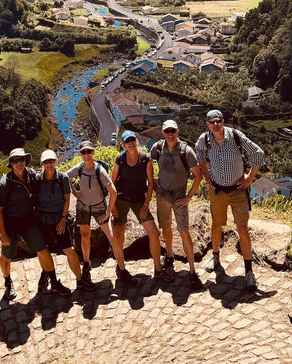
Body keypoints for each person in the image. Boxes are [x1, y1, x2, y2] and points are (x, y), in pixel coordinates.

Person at [195, 110, 265, 290]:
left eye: (218, 121)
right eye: (212, 122)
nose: (216, 124)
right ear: (207, 124)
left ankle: (249, 271)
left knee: (242, 228)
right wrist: (204, 171)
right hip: (216, 190)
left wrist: (250, 177)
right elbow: (199, 152)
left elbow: (258, 152)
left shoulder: (235, 136)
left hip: (237, 191)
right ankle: (215, 256)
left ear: (223, 121)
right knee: (216, 224)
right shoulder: (205, 139)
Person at [0, 148, 70, 300]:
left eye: (21, 159)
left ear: (26, 161)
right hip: (11, 223)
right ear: (11, 164)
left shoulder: (31, 175)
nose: (19, 163)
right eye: (15, 160)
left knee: (43, 250)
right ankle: (8, 283)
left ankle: (54, 282)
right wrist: (3, 234)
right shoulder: (5, 183)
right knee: (6, 256)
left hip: (28, 220)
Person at [111, 130, 174, 283]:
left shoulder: (145, 158)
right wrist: (112, 205)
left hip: (139, 200)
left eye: (133, 140)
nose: (131, 143)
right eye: (127, 141)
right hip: (121, 198)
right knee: (119, 231)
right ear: (124, 145)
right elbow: (112, 182)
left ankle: (158, 269)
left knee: (153, 232)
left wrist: (146, 204)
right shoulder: (120, 159)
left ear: (136, 141)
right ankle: (121, 267)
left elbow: (151, 183)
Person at [149, 120, 205, 290]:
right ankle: (169, 255)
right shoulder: (158, 148)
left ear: (177, 132)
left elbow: (198, 175)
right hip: (162, 196)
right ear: (163, 133)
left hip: (179, 197)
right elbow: (147, 164)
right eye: (167, 131)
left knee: (184, 232)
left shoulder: (186, 151)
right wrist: (152, 181)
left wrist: (189, 197)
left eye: (172, 131)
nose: (170, 134)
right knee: (165, 228)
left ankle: (192, 271)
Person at [67, 141, 131, 285]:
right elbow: (65, 176)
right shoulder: (80, 168)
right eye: (84, 152)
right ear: (80, 154)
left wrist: (107, 213)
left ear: (93, 152)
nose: (87, 155)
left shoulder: (99, 171)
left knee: (113, 239)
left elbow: (113, 192)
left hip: (99, 208)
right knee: (85, 236)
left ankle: (122, 269)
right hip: (82, 207)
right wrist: (73, 191)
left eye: (89, 151)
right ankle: (86, 263)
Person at [35, 149, 97, 293]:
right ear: (42, 163)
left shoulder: (62, 178)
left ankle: (80, 280)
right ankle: (46, 273)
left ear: (56, 161)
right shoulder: (37, 179)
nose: (49, 164)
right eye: (46, 162)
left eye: (51, 161)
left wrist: (63, 219)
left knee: (69, 250)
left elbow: (67, 199)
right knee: (42, 250)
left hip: (58, 219)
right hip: (41, 219)